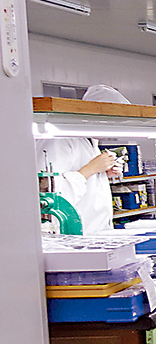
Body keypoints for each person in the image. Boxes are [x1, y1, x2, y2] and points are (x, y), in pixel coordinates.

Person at [38, 85, 131, 233]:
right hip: (73, 235)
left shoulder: (90, 140)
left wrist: (103, 173)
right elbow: (50, 193)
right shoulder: (60, 139)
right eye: (112, 121)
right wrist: (91, 169)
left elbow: (84, 180)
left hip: (97, 232)